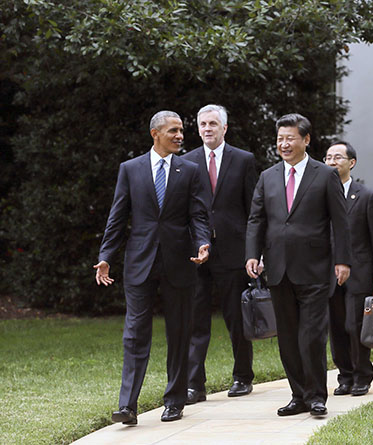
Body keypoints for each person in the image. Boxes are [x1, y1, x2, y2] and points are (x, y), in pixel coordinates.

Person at [94, 110, 211, 425]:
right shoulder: (130, 169)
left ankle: (174, 400)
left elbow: (198, 215)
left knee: (179, 332)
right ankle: (127, 406)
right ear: (155, 133)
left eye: (181, 131)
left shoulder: (191, 170)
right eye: (173, 131)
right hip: (139, 262)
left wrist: (204, 243)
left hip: (180, 262)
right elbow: (118, 216)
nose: (180, 136)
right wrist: (106, 255)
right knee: (134, 334)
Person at [245, 113, 351, 417]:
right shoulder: (267, 177)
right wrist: (252, 254)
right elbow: (257, 219)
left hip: (315, 269)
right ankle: (299, 395)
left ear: (306, 140)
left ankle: (317, 396)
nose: (284, 144)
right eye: (280, 139)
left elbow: (340, 223)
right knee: (289, 337)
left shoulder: (325, 174)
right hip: (278, 269)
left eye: (290, 138)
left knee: (312, 335)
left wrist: (342, 260)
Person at [183, 104, 258, 403]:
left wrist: (256, 252)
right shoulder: (186, 162)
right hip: (196, 255)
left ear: (224, 128)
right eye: (202, 124)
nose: (207, 128)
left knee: (236, 320)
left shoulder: (243, 160)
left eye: (213, 123)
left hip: (233, 252)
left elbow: (253, 210)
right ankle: (194, 385)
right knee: (195, 322)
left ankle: (242, 376)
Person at [324, 141, 373, 397]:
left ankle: (363, 375)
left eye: (338, 157)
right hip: (327, 273)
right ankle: (345, 377)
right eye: (328, 157)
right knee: (336, 327)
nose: (331, 161)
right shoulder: (318, 194)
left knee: (356, 325)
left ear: (351, 163)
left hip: (360, 272)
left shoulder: (366, 196)